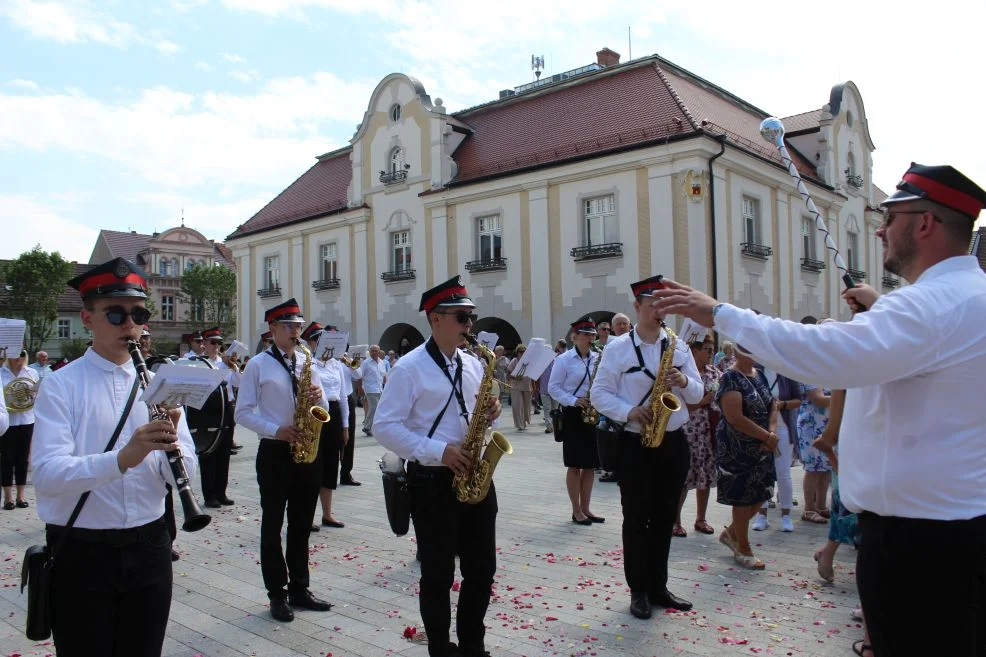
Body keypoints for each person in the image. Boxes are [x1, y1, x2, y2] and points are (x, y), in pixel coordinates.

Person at [651, 163, 986, 657]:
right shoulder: (962, 297)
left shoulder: (926, 306)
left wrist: (719, 313)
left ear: (925, 223)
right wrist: (878, 312)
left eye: (889, 217)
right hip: (955, 530)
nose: (879, 229)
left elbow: (820, 352)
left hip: (922, 544)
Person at [32, 257, 198, 656]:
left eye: (138, 313)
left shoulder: (162, 384)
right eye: (116, 313)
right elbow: (47, 475)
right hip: (83, 550)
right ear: (87, 318)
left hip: (150, 544)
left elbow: (188, 470)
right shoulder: (60, 386)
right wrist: (124, 457)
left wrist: (171, 446)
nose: (129, 323)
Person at [374, 276, 502, 657]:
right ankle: (441, 648)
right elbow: (384, 426)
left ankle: (473, 645)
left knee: (482, 570)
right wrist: (438, 451)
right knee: (438, 575)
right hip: (432, 481)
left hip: (475, 474)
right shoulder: (410, 368)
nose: (469, 326)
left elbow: (477, 419)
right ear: (435, 319)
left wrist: (492, 415)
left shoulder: (474, 364)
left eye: (471, 317)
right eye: (462, 317)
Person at [591, 275, 704, 619]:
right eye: (653, 305)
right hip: (636, 441)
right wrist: (629, 411)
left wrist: (684, 380)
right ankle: (638, 589)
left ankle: (658, 585)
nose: (659, 311)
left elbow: (698, 393)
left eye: (663, 305)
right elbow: (598, 395)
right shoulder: (617, 348)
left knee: (665, 516)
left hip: (672, 441)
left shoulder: (677, 346)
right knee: (636, 518)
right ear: (637, 307)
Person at [234, 298, 332, 623]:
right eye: (289, 326)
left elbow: (326, 406)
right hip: (275, 453)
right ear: (272, 329)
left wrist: (321, 398)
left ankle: (300, 589)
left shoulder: (307, 361)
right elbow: (243, 413)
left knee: (302, 525)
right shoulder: (258, 365)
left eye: (298, 326)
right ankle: (277, 593)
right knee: (273, 525)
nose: (296, 332)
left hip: (307, 447)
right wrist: (277, 430)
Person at [714, 343, 779, 569]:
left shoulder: (758, 374)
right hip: (738, 447)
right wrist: (766, 437)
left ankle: (731, 533)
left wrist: (770, 434)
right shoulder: (730, 377)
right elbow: (735, 417)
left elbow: (773, 406)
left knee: (764, 491)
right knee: (743, 496)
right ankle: (743, 547)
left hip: (763, 445)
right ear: (738, 350)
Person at [548, 319, 603, 525]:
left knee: (589, 465)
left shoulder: (597, 358)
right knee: (574, 465)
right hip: (573, 413)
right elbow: (553, 387)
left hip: (592, 412)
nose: (591, 338)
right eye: (586, 334)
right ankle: (576, 510)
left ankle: (587, 508)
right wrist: (574, 400)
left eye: (593, 335)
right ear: (575, 336)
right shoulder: (564, 359)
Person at [301, 321, 347, 530]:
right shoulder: (308, 364)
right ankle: (307, 515)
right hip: (315, 414)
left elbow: (344, 398)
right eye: (317, 339)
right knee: (312, 465)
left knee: (330, 463)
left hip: (334, 413)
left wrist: (345, 426)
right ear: (311, 342)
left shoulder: (336, 364)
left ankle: (327, 514)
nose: (322, 343)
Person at [674, 334, 718, 537]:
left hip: (707, 430)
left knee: (705, 476)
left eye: (712, 349)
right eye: (706, 349)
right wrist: (704, 400)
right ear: (694, 351)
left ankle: (701, 518)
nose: (710, 353)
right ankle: (675, 520)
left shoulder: (714, 372)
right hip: (687, 429)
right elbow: (682, 404)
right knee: (682, 476)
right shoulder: (685, 374)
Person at [752, 366, 801, 533]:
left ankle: (786, 515)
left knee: (783, 472)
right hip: (760, 427)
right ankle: (762, 515)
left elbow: (798, 399)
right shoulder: (756, 371)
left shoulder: (787, 371)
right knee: (761, 471)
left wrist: (783, 404)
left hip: (783, 427)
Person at [194, 326, 236, 509]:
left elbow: (240, 384)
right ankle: (209, 495)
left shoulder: (224, 363)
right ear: (204, 343)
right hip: (206, 410)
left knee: (224, 452)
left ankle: (221, 492)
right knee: (208, 452)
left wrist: (233, 368)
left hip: (226, 409)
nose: (217, 346)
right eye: (213, 343)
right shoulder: (197, 362)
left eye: (220, 343)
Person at [1, 349, 39, 509]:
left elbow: (38, 396)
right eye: (17, 354)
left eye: (23, 354)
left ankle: (21, 496)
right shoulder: (1, 373)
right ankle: (8, 498)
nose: (20, 357)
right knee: (6, 459)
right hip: (6, 422)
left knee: (23, 459)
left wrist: (34, 396)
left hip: (27, 420)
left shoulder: (32, 373)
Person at [599, 317, 631, 483]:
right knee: (611, 436)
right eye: (618, 324)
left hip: (629, 401)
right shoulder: (605, 347)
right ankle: (611, 468)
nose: (622, 326)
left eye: (625, 323)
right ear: (613, 328)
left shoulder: (635, 345)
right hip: (612, 399)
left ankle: (622, 469)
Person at [358, 345, 387, 436]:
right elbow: (360, 376)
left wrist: (387, 386)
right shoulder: (366, 363)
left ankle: (373, 426)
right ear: (370, 352)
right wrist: (360, 389)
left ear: (379, 352)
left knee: (378, 408)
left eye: (375, 351)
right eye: (372, 351)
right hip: (370, 389)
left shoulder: (382, 362)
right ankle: (367, 427)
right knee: (374, 407)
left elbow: (384, 375)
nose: (374, 353)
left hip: (380, 388)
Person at [507, 345, 533, 431]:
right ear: (517, 353)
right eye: (521, 352)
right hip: (516, 386)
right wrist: (515, 377)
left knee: (526, 406)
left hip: (527, 386)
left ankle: (524, 422)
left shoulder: (529, 361)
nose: (523, 353)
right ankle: (519, 424)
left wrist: (534, 386)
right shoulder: (514, 361)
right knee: (517, 405)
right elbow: (508, 374)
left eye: (524, 352)